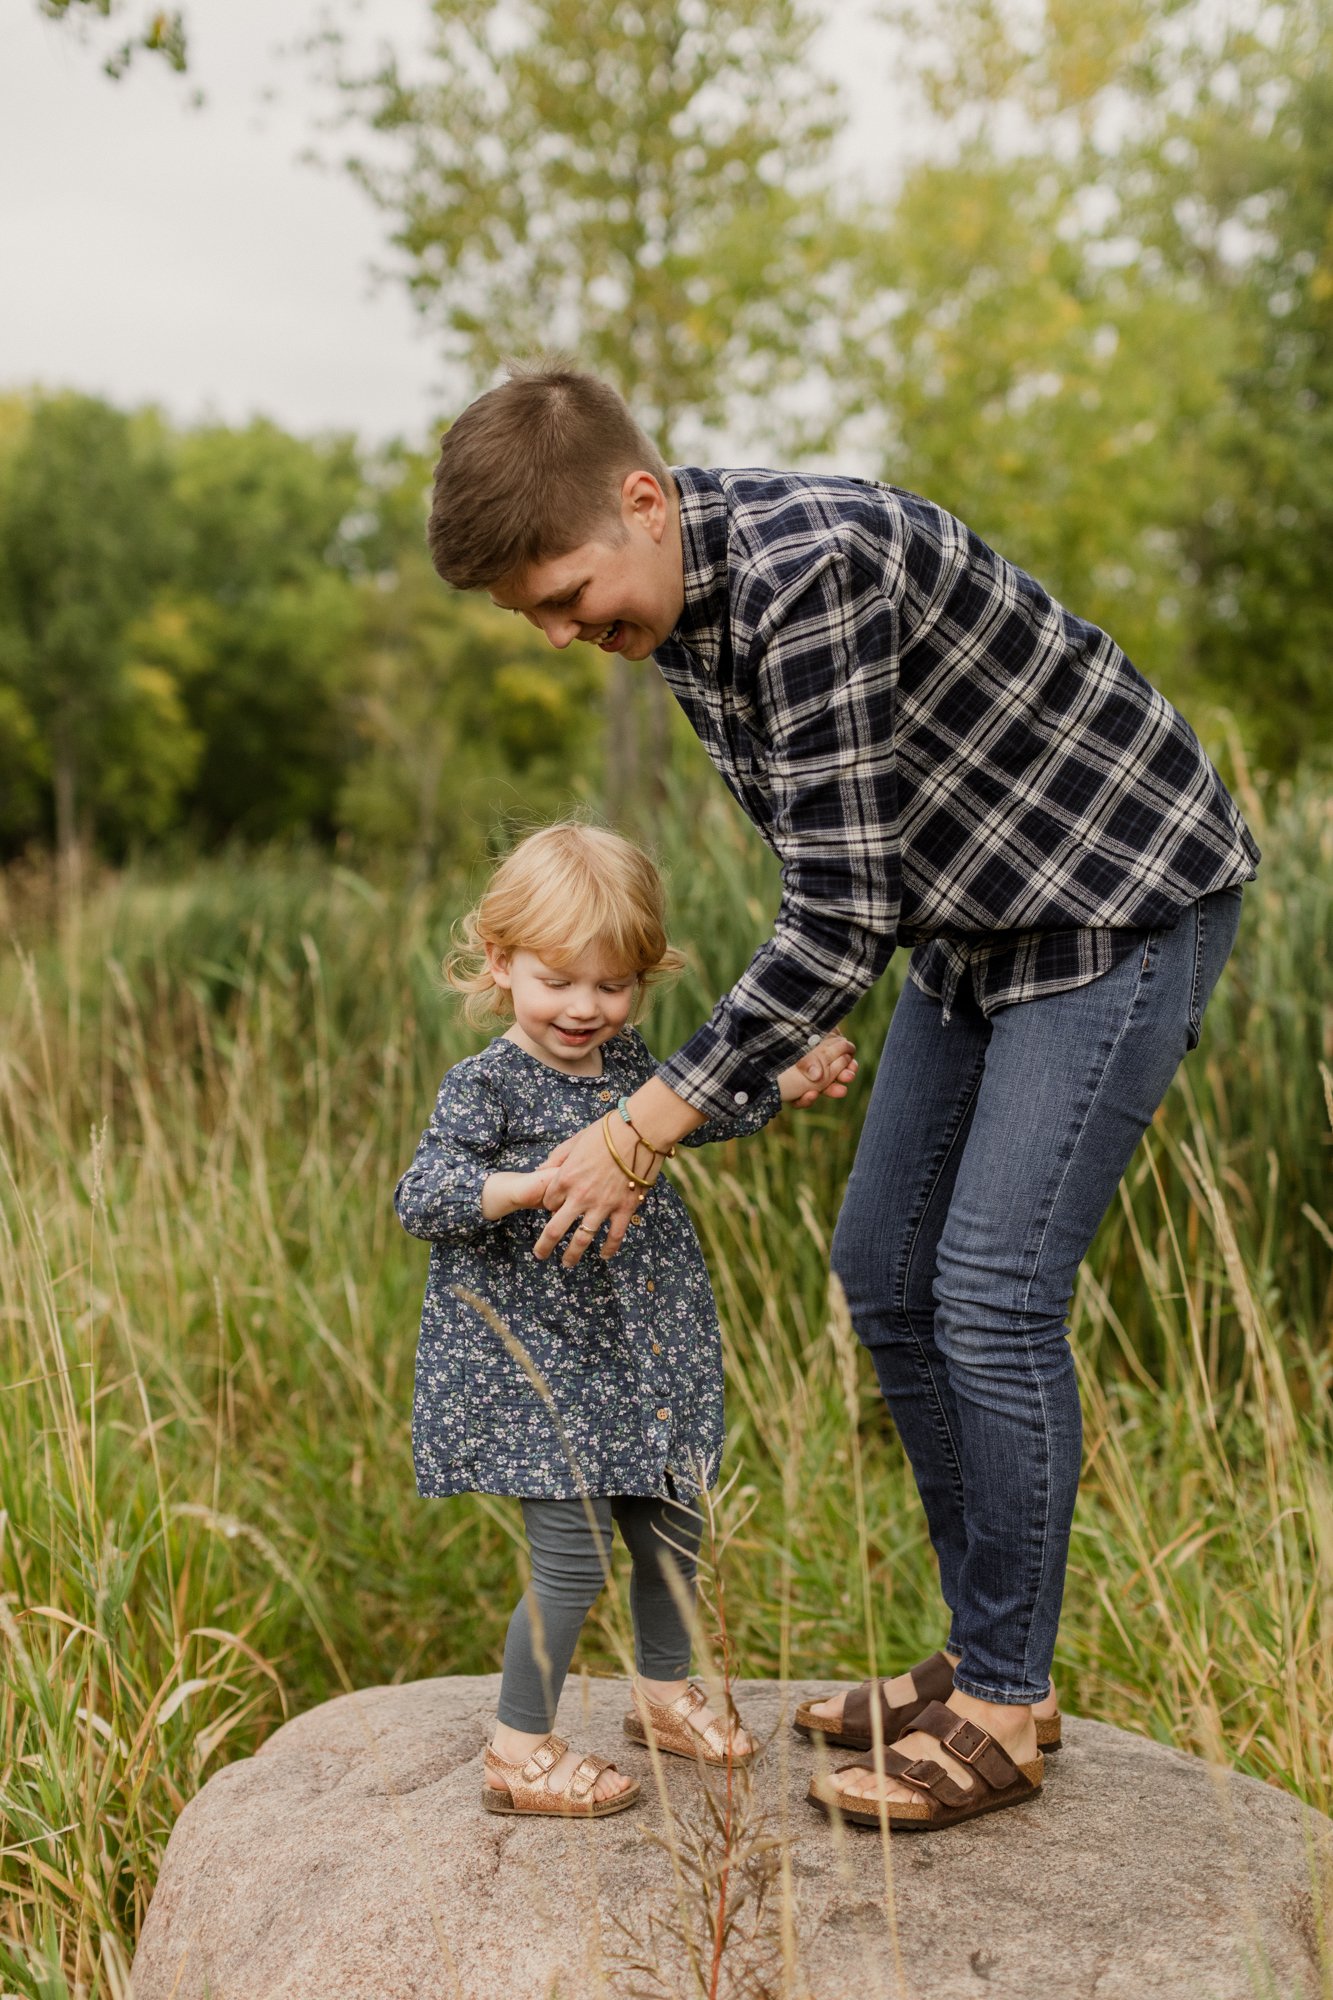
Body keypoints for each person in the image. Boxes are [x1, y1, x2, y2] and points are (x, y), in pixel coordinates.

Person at [422, 363, 1260, 1835]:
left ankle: (1007, 1701)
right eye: (534, 618)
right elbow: (849, 874)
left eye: (564, 593)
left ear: (640, 500)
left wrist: (640, 1123)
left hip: (1117, 907)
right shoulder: (674, 612)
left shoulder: (812, 573)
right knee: (881, 1271)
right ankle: (984, 1657)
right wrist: (774, 1051)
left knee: (992, 1291)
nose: (564, 634)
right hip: (971, 922)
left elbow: (837, 911)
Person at [394, 822, 856, 1819]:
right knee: (572, 1555)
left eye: (613, 985)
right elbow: (421, 1193)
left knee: (671, 1519)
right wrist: (524, 1187)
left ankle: (659, 1688)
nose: (586, 1008)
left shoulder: (629, 1058)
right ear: (500, 960)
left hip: (645, 1351)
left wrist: (787, 1080)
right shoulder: (487, 1083)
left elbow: (703, 1107)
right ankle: (518, 1747)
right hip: (543, 1367)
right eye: (560, 979)